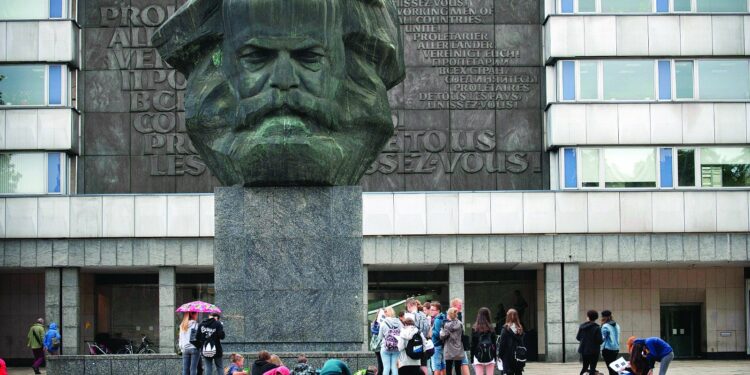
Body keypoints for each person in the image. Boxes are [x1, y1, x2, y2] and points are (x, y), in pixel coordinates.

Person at [406, 298, 431, 375]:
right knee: (424, 365)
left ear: (409, 305)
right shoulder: (424, 315)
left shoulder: (410, 316)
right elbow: (429, 330)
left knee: (414, 366)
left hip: (414, 344)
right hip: (424, 343)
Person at [497, 308, 525, 375]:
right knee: (518, 372)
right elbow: (522, 343)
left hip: (508, 356)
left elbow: (502, 344)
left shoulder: (505, 329)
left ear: (508, 316)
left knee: (509, 372)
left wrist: (499, 355)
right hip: (519, 356)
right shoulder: (520, 328)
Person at [470, 308, 496, 375]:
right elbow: (494, 344)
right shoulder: (491, 328)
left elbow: (473, 345)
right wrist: (495, 357)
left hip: (478, 355)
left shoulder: (475, 328)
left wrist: (472, 358)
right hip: (490, 356)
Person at [576, 310, 603, 375]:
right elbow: (599, 340)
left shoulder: (582, 326)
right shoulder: (597, 328)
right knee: (592, 368)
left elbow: (578, 338)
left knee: (584, 367)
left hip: (584, 350)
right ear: (596, 317)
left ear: (588, 317)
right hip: (594, 351)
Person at [378, 307, 403, 375]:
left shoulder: (383, 323)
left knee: (386, 367)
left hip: (385, 347)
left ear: (386, 313)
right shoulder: (399, 322)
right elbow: (402, 334)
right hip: (396, 347)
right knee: (394, 367)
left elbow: (380, 337)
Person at [440, 308, 465, 375]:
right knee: (458, 369)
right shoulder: (460, 324)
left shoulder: (447, 325)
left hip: (448, 349)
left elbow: (442, 336)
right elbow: (462, 334)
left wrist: (441, 331)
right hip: (458, 348)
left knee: (448, 368)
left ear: (449, 315)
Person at [448, 299, 470, 375]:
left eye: (461, 304)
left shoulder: (458, 314)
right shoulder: (452, 316)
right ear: (454, 305)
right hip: (457, 344)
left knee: (461, 363)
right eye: (459, 304)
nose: (461, 306)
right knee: (463, 362)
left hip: (456, 344)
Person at [600, 310, 621, 375]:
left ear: (603, 317)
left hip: (607, 349)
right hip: (616, 348)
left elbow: (603, 338)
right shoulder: (617, 325)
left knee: (611, 369)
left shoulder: (605, 326)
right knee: (614, 368)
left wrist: (601, 326)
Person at [429, 302, 446, 375]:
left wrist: (432, 331)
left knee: (437, 366)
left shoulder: (437, 320)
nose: (431, 311)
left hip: (437, 345)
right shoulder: (442, 317)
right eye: (431, 309)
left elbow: (439, 334)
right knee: (442, 365)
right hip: (441, 345)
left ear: (438, 310)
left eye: (433, 310)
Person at [370, 309, 386, 375]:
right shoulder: (382, 323)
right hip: (381, 345)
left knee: (380, 363)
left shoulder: (373, 323)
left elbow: (373, 333)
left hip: (375, 346)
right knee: (383, 364)